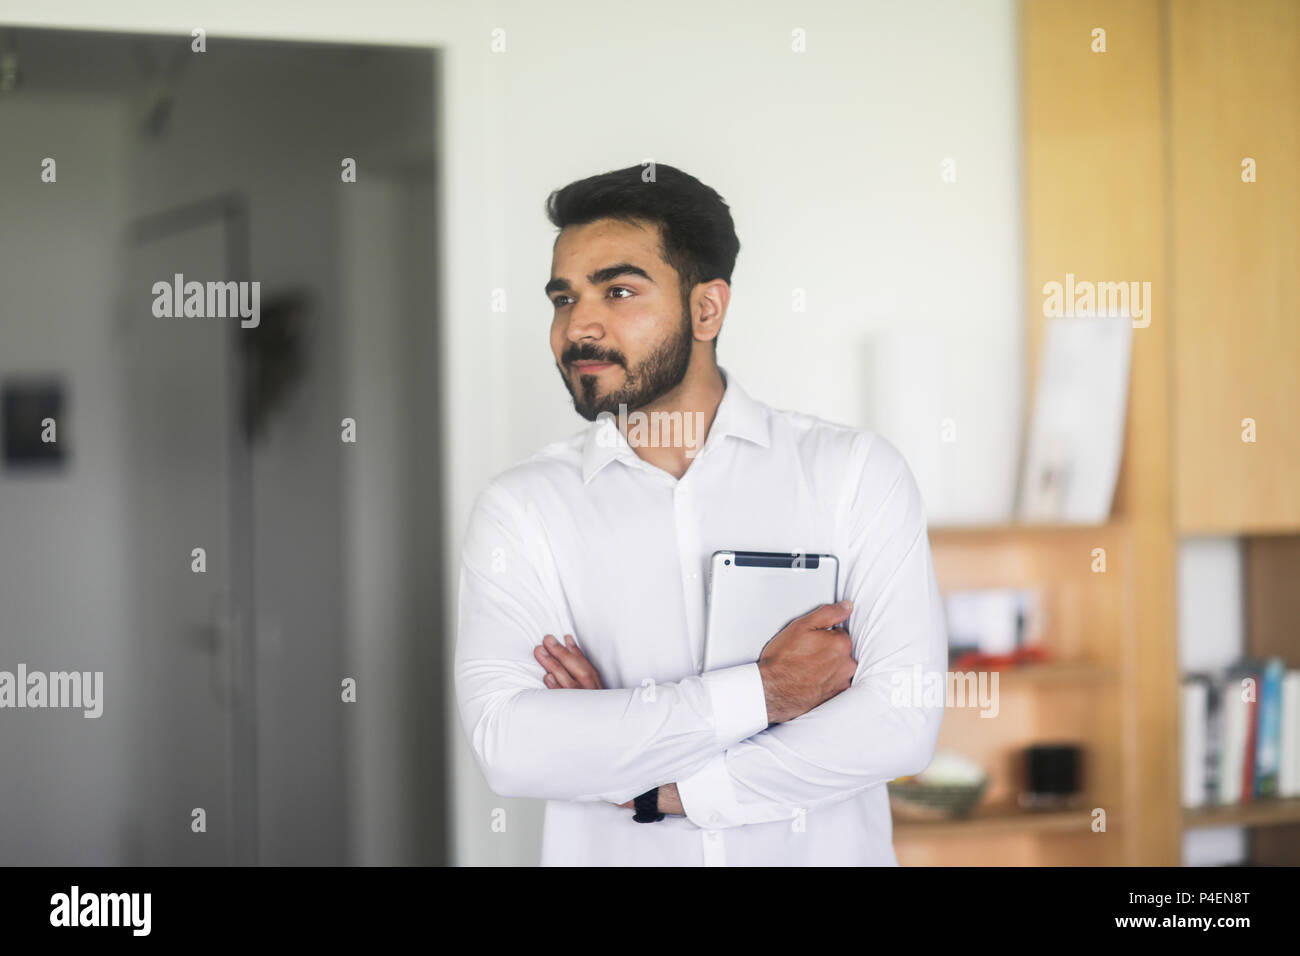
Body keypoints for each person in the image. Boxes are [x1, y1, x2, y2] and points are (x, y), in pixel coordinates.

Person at [454, 162, 947, 865]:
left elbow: (900, 723)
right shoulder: (521, 509)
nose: (577, 326)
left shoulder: (854, 475)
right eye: (563, 299)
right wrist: (766, 692)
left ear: (707, 308)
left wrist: (651, 779)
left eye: (618, 291)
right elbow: (512, 746)